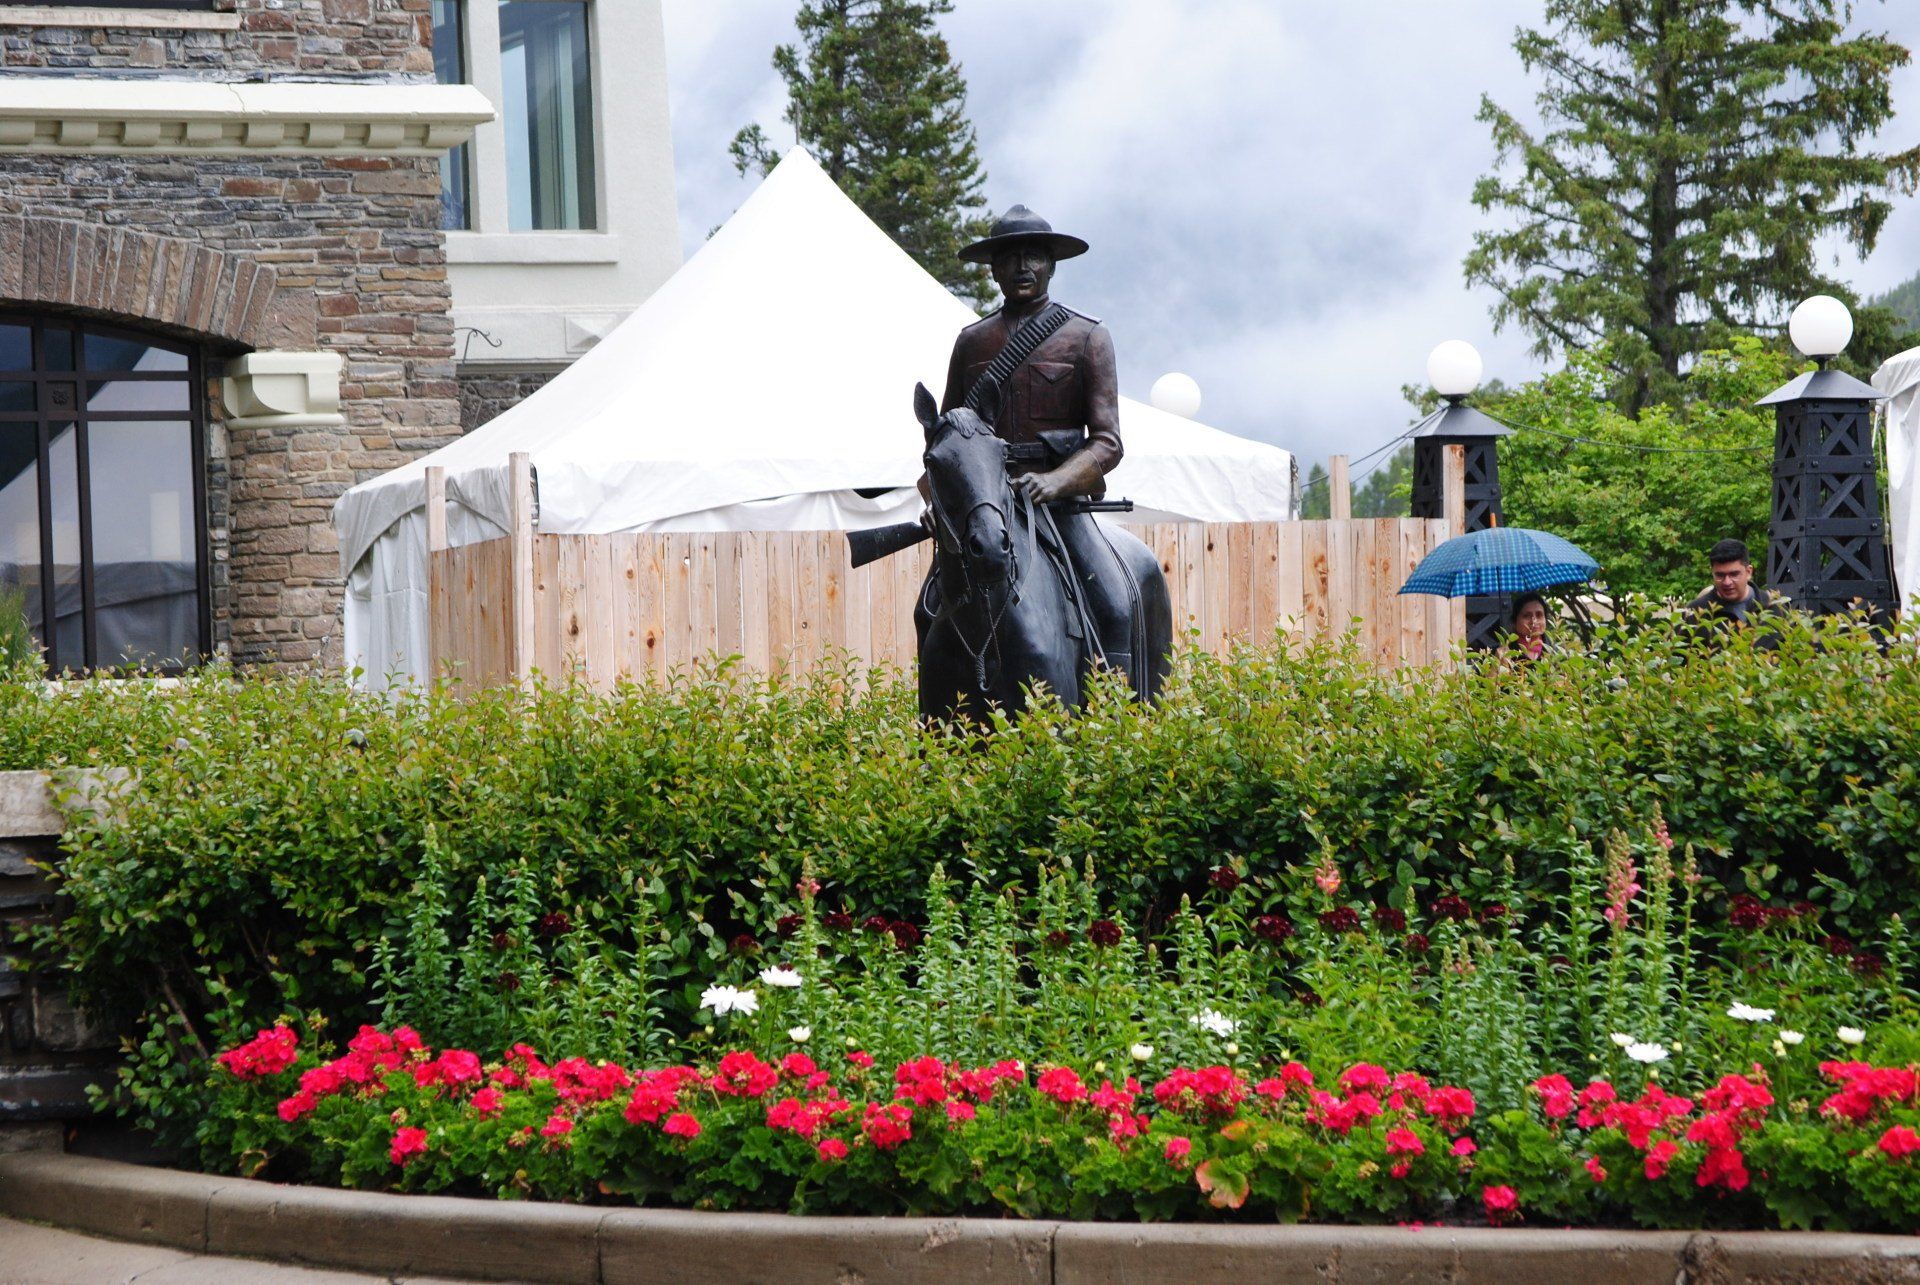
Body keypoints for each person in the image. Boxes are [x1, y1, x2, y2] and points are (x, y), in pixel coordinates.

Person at [922, 205, 1142, 680]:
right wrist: (942, 505)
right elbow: (948, 438)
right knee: (929, 610)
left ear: (1051, 266)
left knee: (1113, 603)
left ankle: (1122, 716)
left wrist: (1057, 481)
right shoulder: (971, 342)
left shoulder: (1087, 337)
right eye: (1011, 258)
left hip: (1059, 509)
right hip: (988, 507)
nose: (1023, 267)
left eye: (1035, 257)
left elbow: (1108, 443)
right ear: (995, 270)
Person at [1687, 539, 1785, 636]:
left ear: (1749, 572)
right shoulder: (1694, 614)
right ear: (1712, 572)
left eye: (1734, 574)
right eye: (1720, 575)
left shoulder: (1775, 608)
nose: (1727, 582)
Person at [1507, 591, 1560, 666]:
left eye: (1539, 615)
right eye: (1526, 616)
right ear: (1514, 621)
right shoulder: (1505, 652)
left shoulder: (1556, 652)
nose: (1534, 621)